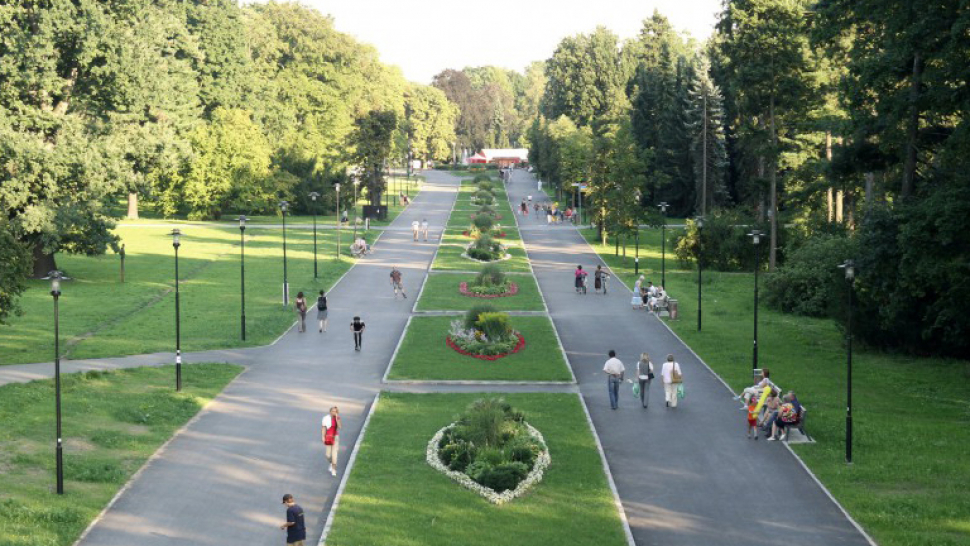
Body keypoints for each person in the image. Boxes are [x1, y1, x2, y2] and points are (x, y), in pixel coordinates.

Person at [322, 406, 342, 476]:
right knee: (327, 455)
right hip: (328, 437)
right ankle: (331, 463)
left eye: (335, 411)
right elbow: (324, 428)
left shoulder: (337, 418)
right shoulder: (326, 418)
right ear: (330, 411)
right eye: (333, 411)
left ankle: (333, 469)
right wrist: (323, 437)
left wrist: (337, 418)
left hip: (335, 437)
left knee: (334, 455)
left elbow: (340, 427)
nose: (334, 412)